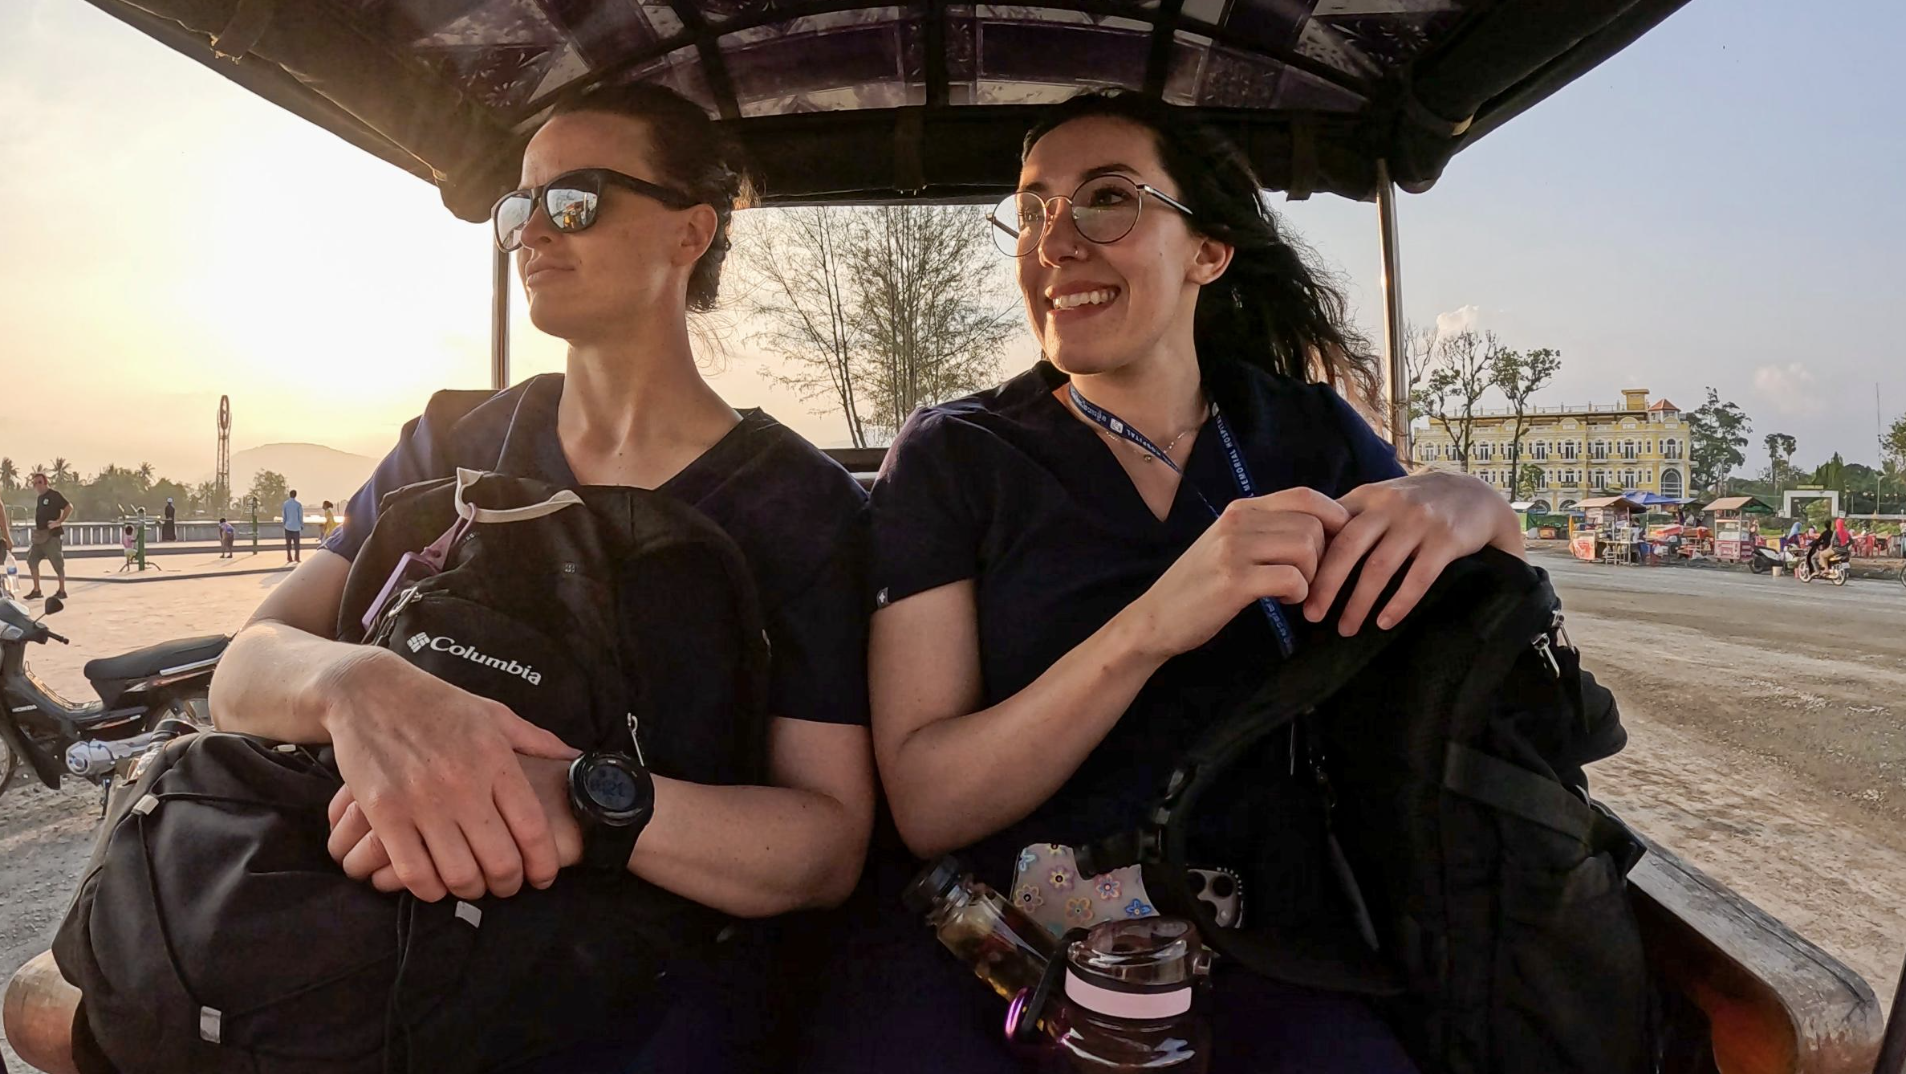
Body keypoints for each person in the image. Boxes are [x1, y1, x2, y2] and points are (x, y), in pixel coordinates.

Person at [819, 91, 1524, 1073]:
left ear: (1208, 251)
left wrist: (1473, 507)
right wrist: (1150, 625)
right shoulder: (956, 456)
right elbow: (930, 802)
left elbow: (1494, 648)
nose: (1054, 241)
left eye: (1106, 199)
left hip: (1261, 950)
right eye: (1030, 210)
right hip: (1000, 959)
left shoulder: (1306, 435)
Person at [24, 472, 71, 601]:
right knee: (31, 560)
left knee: (57, 563)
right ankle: (37, 590)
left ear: (45, 482)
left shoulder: (54, 495)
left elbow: (68, 507)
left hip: (52, 536)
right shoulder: (40, 498)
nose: (37, 486)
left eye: (39, 482)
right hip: (40, 536)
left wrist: (58, 522)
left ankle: (62, 590)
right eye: (35, 483)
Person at [281, 489, 305, 564]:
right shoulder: (298, 504)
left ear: (290, 495)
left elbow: (284, 515)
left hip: (288, 526)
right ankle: (297, 557)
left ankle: (289, 557)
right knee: (296, 544)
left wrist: (284, 523)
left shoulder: (285, 504)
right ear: (295, 495)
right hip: (296, 526)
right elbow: (300, 516)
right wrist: (301, 524)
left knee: (288, 543)